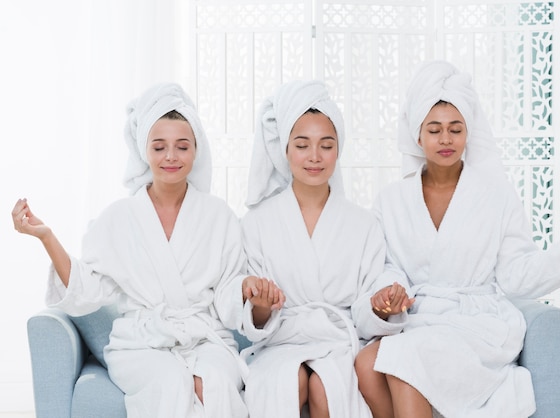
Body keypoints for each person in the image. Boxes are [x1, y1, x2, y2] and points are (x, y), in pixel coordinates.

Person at [354, 60, 560, 418]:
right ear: (417, 135)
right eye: (434, 130)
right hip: (421, 318)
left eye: (455, 129)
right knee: (366, 365)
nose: (446, 139)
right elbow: (385, 267)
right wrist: (391, 291)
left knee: (404, 357)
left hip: (478, 323)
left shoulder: (496, 194)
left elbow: (517, 273)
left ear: (468, 132)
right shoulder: (391, 200)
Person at [12, 83, 249, 418]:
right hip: (139, 343)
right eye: (159, 146)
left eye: (182, 146)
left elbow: (228, 289)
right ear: (144, 151)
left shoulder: (218, 215)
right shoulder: (118, 218)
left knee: (215, 383)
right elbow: (86, 288)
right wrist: (47, 237)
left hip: (204, 338)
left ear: (196, 151)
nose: (170, 156)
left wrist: (250, 294)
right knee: (169, 382)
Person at [238, 80, 407, 418]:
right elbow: (254, 317)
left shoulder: (363, 224)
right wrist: (259, 305)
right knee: (286, 381)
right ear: (285, 150)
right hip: (281, 342)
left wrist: (380, 306)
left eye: (326, 145)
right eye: (302, 145)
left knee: (326, 385)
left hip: (339, 344)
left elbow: (365, 309)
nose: (314, 157)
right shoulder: (256, 223)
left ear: (339, 150)